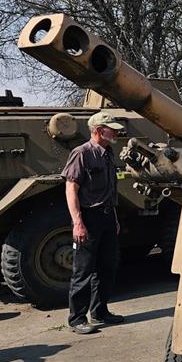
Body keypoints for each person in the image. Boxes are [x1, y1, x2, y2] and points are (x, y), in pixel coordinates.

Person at [61, 112, 126, 334]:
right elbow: (71, 189)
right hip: (88, 218)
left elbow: (110, 190)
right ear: (98, 130)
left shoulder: (108, 152)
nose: (115, 132)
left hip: (107, 217)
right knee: (83, 270)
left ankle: (100, 311)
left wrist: (114, 218)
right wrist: (77, 223)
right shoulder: (81, 154)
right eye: (111, 128)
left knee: (107, 267)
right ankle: (77, 318)